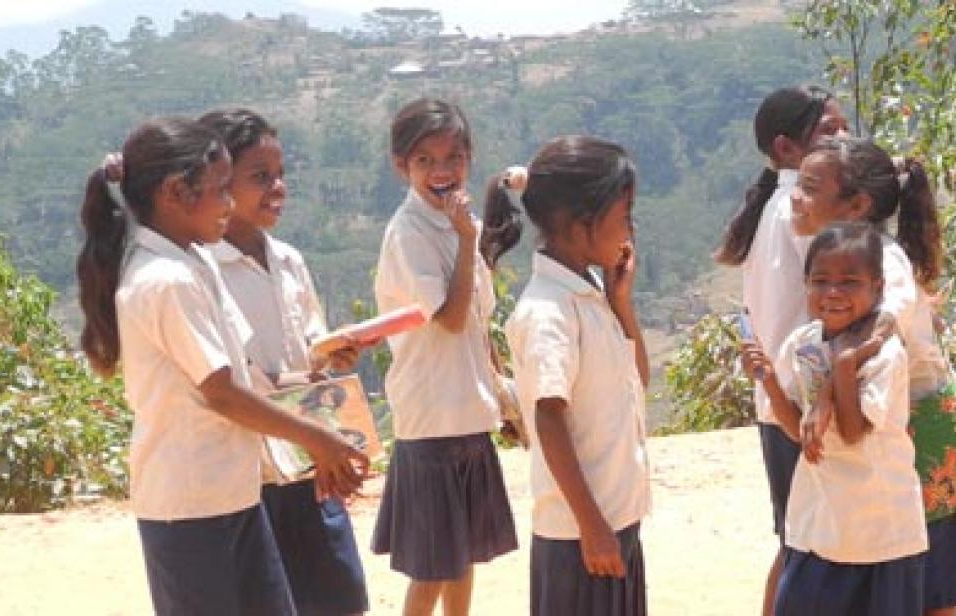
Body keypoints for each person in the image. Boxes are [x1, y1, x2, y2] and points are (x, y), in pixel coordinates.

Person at [75, 117, 367, 615]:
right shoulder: (165, 280)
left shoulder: (196, 263)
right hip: (188, 507)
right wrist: (316, 438)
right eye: (220, 191)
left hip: (231, 493)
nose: (229, 206)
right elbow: (223, 391)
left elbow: (243, 372)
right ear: (175, 193)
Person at [786, 135, 956, 615]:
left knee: (932, 583)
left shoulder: (883, 259)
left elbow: (890, 316)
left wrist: (828, 393)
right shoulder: (851, 260)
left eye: (811, 187)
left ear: (856, 205)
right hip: (894, 429)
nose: (796, 197)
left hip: (922, 433)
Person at [199, 108, 370, 616]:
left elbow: (310, 348)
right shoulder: (205, 272)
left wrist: (332, 353)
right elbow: (233, 382)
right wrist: (300, 380)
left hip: (309, 463)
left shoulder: (290, 260)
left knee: (337, 598)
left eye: (279, 175)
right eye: (259, 177)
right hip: (252, 475)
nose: (277, 187)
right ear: (218, 184)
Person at [486, 136, 650, 615]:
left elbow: (637, 381)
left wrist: (622, 304)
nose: (630, 230)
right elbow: (549, 421)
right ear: (583, 225)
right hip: (582, 534)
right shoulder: (549, 313)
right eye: (624, 216)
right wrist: (592, 526)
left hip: (614, 520)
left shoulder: (592, 294)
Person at [371, 98, 517, 616]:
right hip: (431, 419)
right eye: (424, 161)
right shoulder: (410, 232)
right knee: (433, 568)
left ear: (469, 158)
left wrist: (502, 393)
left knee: (464, 558)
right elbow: (450, 317)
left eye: (452, 157)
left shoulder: (457, 225)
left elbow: (477, 325)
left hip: (468, 410)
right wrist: (464, 240)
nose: (441, 172)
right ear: (401, 166)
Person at [713, 84, 849, 615]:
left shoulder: (772, 205)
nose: (843, 139)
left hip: (778, 400)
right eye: (828, 132)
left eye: (844, 127)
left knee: (795, 540)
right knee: (809, 546)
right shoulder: (803, 209)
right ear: (786, 148)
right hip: (802, 402)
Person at [744, 221, 927, 615]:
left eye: (849, 282)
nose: (833, 293)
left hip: (878, 526)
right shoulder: (804, 343)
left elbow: (853, 431)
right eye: (820, 280)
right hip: (820, 520)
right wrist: (771, 383)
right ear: (805, 285)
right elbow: (802, 432)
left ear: (877, 288)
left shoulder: (884, 355)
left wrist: (843, 371)